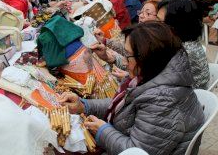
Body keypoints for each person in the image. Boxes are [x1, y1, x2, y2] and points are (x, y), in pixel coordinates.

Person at [59, 22, 205, 155]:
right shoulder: (153, 74)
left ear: (147, 57)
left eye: (128, 55)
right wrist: (84, 105)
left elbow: (137, 151)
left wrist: (102, 131)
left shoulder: (163, 99)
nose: (123, 61)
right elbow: (125, 106)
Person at [157, 0, 210, 89]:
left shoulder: (183, 52)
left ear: (177, 25)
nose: (155, 25)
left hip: (188, 97)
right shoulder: (187, 42)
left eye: (160, 22)